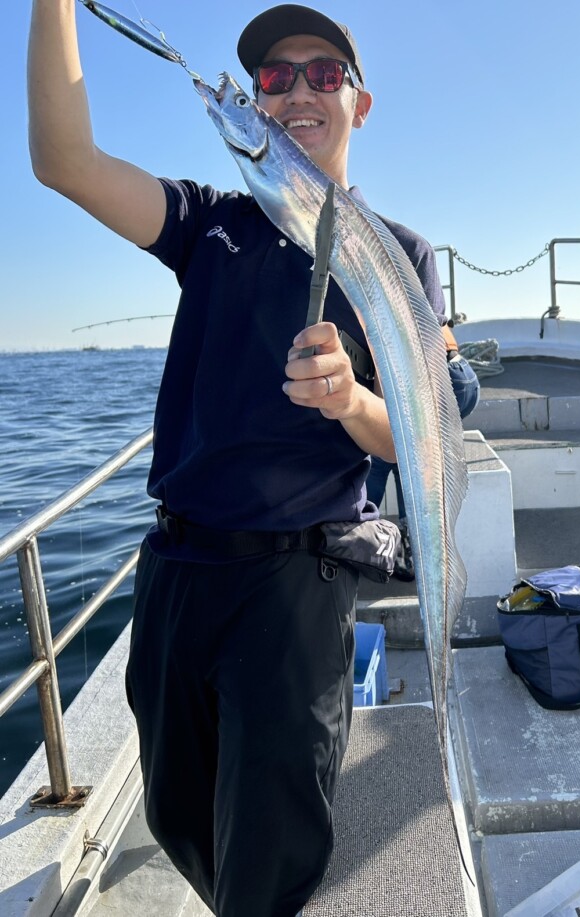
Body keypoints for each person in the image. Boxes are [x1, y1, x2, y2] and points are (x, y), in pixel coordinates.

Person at [27, 3, 451, 914]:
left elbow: (419, 432)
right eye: (274, 77)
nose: (298, 90)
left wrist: (350, 400)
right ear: (254, 106)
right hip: (177, 571)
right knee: (179, 813)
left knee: (268, 861)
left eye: (324, 74)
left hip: (293, 590)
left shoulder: (399, 257)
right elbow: (64, 162)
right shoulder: (209, 224)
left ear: (360, 104)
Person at [367, 324, 480, 579]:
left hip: (442, 382)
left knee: (382, 461)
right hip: (462, 375)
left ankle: (384, 547)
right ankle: (414, 553)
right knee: (401, 461)